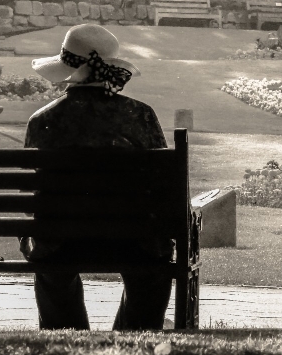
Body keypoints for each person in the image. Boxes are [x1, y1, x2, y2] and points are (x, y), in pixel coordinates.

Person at [22, 23, 173, 331]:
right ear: (111, 69)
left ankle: (66, 335)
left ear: (66, 67)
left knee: (53, 268)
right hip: (134, 242)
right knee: (151, 272)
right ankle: (133, 338)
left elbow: (31, 193)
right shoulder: (141, 116)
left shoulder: (43, 121)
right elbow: (163, 185)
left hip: (61, 243)